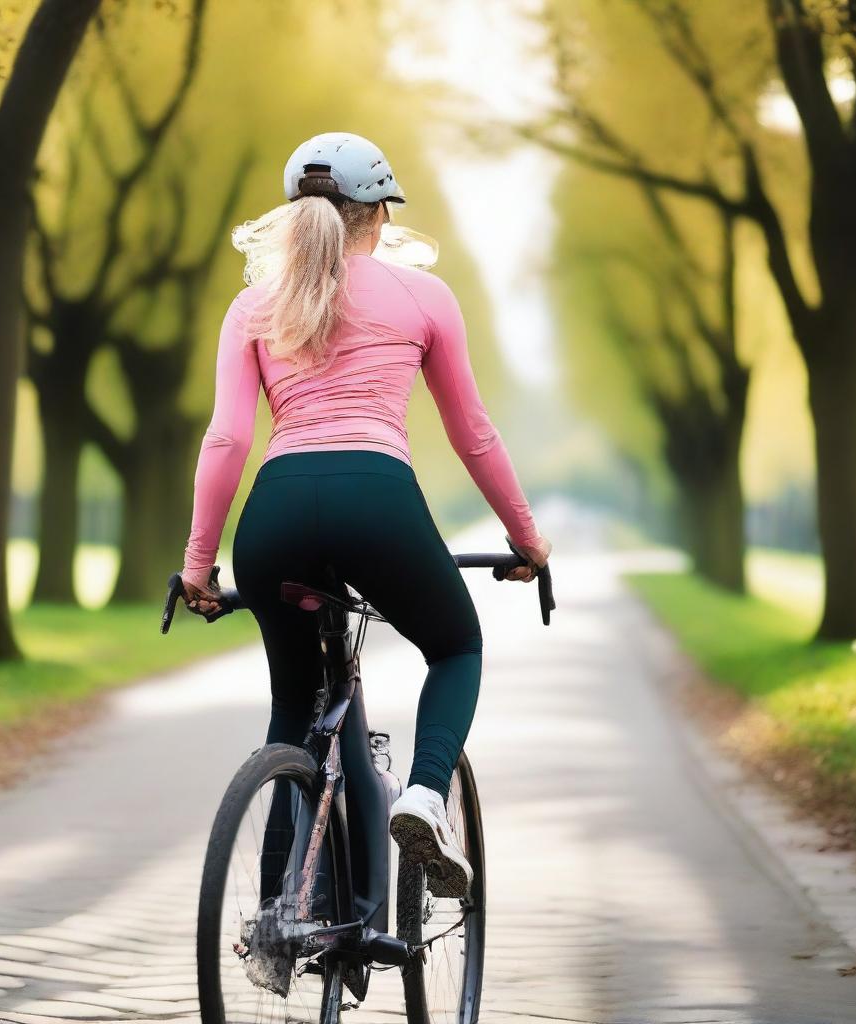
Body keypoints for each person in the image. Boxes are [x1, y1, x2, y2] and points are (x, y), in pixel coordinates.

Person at [180, 131, 551, 899]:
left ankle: (279, 919)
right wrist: (525, 539)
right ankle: (422, 796)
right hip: (377, 500)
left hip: (275, 517)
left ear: (296, 218)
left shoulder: (253, 306)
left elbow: (227, 441)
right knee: (454, 646)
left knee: (293, 709)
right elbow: (473, 432)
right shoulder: (424, 297)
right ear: (379, 215)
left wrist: (196, 568)